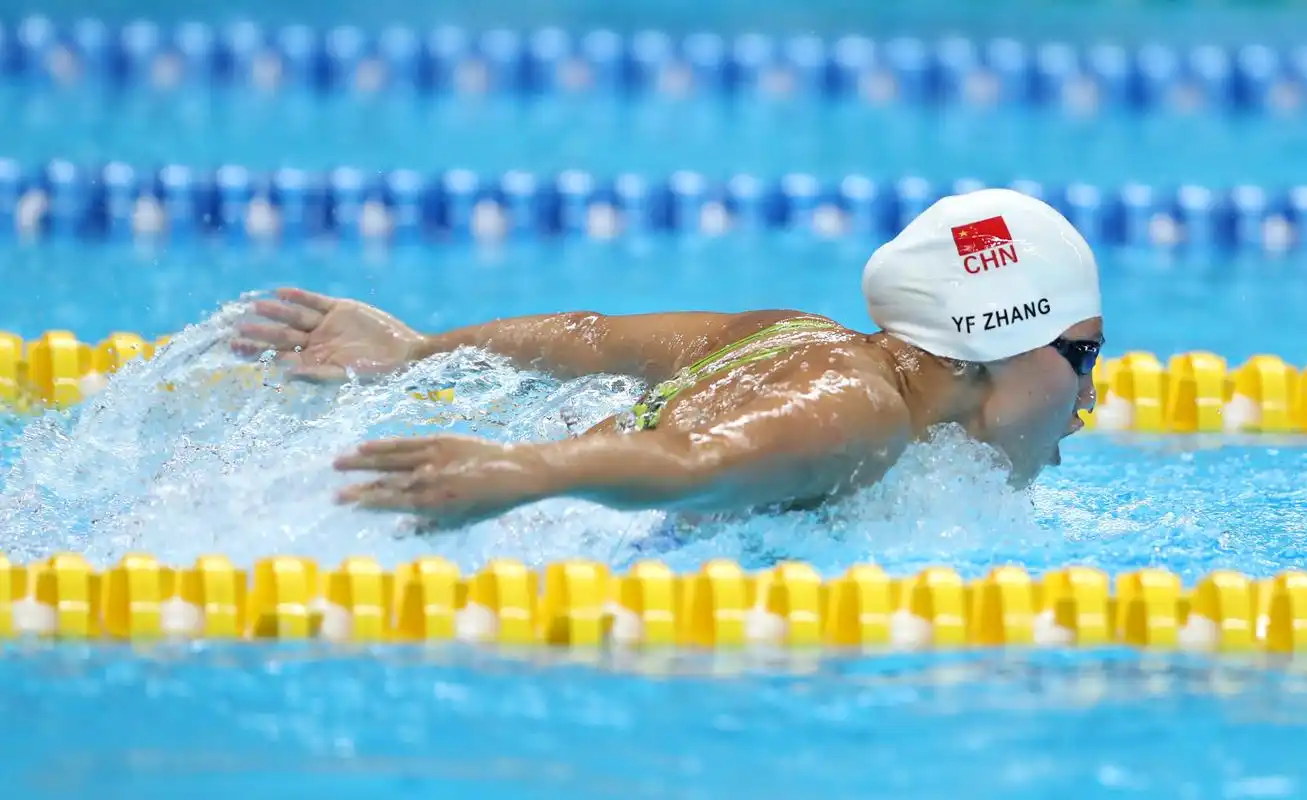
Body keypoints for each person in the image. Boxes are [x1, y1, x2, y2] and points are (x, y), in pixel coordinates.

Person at [232, 188, 1103, 529]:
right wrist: (529, 470)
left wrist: (420, 350)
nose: (1086, 401)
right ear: (1002, 339)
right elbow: (690, 459)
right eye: (1082, 356)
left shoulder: (793, 335)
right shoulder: (859, 412)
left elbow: (586, 336)